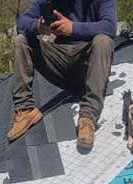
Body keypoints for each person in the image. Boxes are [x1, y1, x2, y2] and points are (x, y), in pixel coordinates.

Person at [8, 1, 117, 152]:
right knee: (21, 40)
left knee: (104, 41)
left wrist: (73, 28)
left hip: (86, 66)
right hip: (59, 62)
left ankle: (88, 118)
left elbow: (110, 27)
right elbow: (22, 22)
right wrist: (38, 26)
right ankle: (24, 109)